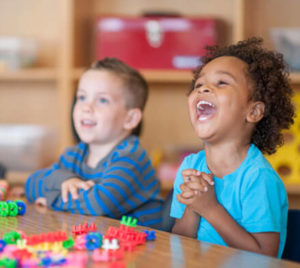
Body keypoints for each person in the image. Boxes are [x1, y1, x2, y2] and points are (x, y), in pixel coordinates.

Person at [170, 37, 295, 258]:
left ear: (254, 112)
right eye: (199, 84)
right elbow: (178, 241)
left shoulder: (258, 177)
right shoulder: (191, 166)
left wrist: (209, 208)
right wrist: (193, 206)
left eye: (222, 83)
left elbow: (265, 256)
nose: (204, 88)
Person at [25, 58, 163, 228]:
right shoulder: (73, 155)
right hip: (99, 242)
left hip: (146, 247)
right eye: (81, 97)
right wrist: (64, 180)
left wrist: (51, 199)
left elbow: (99, 203)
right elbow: (31, 185)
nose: (86, 107)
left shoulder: (131, 157)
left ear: (130, 119)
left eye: (102, 100)